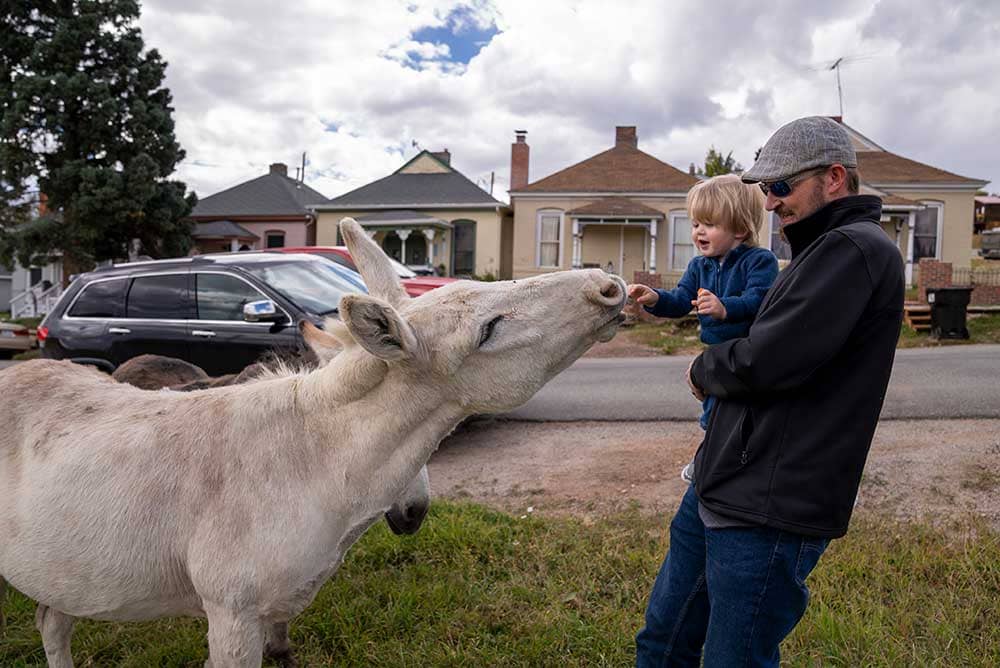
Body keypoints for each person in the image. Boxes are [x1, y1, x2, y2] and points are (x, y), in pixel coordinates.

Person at [634, 116, 904, 667]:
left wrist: (702, 369)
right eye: (763, 188)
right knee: (663, 639)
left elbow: (769, 359)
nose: (770, 202)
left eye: (780, 187)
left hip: (771, 503)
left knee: (733, 659)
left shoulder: (854, 250)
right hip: (723, 479)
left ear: (833, 178)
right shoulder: (816, 250)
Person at [627, 174, 778, 483]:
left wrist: (724, 308)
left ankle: (733, 460)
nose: (698, 232)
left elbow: (758, 299)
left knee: (742, 412)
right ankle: (713, 457)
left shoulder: (759, 261)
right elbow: (682, 300)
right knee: (713, 411)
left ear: (739, 228)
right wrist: (655, 298)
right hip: (714, 353)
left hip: (748, 351)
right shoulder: (699, 267)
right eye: (695, 224)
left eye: (708, 224)